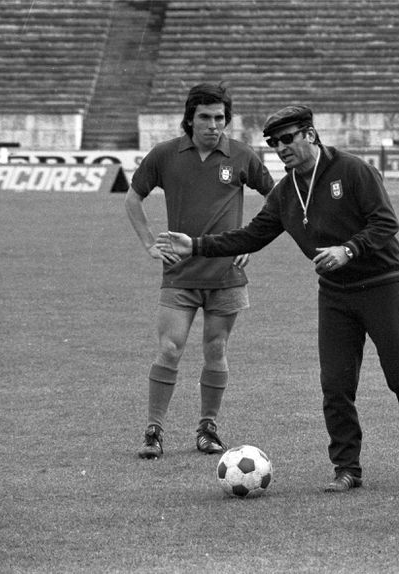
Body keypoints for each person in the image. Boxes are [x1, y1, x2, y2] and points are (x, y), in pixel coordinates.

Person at [156, 105, 399, 491]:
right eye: (275, 143)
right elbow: (251, 236)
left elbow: (386, 222)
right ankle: (347, 469)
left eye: (288, 138)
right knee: (335, 385)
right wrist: (195, 245)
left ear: (310, 134)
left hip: (383, 285)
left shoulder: (353, 170)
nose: (281, 148)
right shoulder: (285, 192)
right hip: (336, 294)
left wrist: (348, 250)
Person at [126, 83, 274, 460]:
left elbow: (278, 202)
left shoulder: (241, 155)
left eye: (220, 118)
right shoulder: (164, 155)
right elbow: (133, 197)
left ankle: (208, 428)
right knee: (170, 348)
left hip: (226, 275)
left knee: (216, 348)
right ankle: (154, 431)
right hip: (180, 273)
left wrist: (251, 244)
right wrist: (148, 243)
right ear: (190, 118)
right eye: (205, 117)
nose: (213, 125)